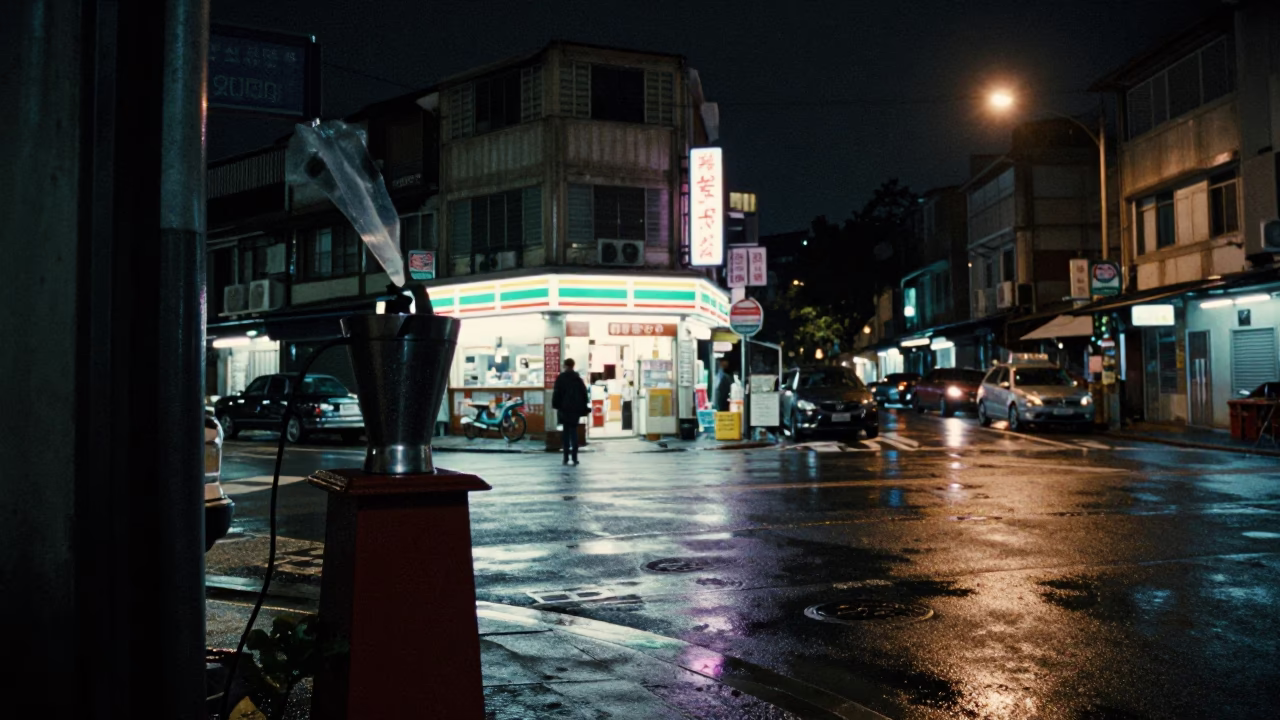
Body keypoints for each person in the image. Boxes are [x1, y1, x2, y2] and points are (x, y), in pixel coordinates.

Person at [551, 358, 589, 465]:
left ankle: (566, 457)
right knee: (574, 432)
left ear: (565, 365)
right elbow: (584, 394)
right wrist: (583, 407)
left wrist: (556, 406)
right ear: (573, 365)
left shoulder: (561, 378)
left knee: (566, 433)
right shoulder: (578, 379)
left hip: (564, 409)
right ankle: (575, 457)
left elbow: (556, 393)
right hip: (575, 410)